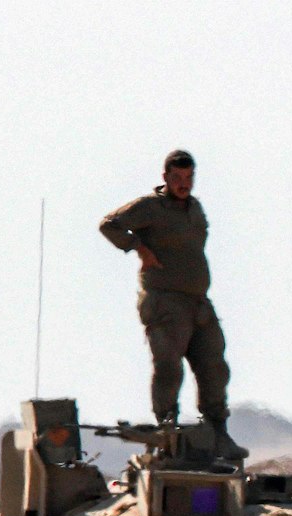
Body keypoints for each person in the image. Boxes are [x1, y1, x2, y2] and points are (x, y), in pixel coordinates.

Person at [98, 149, 246, 460]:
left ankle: (217, 431)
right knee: (169, 368)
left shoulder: (195, 209)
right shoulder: (151, 207)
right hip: (165, 300)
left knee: (214, 367)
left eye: (189, 177)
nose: (183, 184)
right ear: (165, 177)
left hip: (198, 303)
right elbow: (109, 224)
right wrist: (139, 248)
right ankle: (168, 433)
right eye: (177, 177)